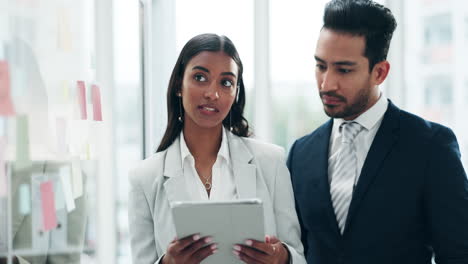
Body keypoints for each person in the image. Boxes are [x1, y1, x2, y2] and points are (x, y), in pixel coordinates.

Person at [287, 0, 468, 263]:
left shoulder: (431, 146)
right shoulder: (300, 153)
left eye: (344, 70)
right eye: (321, 66)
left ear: (380, 72)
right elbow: (296, 250)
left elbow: (459, 253)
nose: (327, 83)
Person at [128, 33, 305, 264]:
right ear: (179, 85)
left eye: (226, 82)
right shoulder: (144, 177)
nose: (213, 93)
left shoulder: (270, 162)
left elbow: (298, 256)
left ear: (235, 93)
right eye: (200, 77)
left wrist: (282, 257)